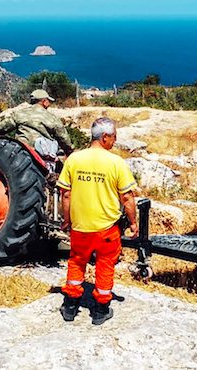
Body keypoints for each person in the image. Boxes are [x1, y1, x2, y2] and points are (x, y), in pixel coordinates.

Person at [56, 117, 138, 325]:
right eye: (113, 136)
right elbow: (127, 198)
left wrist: (67, 220)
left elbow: (65, 194)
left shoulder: (74, 160)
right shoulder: (116, 163)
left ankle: (71, 306)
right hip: (107, 229)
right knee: (105, 264)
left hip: (80, 226)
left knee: (76, 261)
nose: (115, 140)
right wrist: (133, 223)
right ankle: (101, 310)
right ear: (104, 137)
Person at [0, 89, 74, 166]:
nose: (49, 103)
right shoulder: (52, 118)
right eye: (48, 101)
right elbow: (64, 138)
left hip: (21, 153)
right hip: (44, 157)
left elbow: (3, 126)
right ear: (44, 102)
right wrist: (69, 152)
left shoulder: (20, 114)